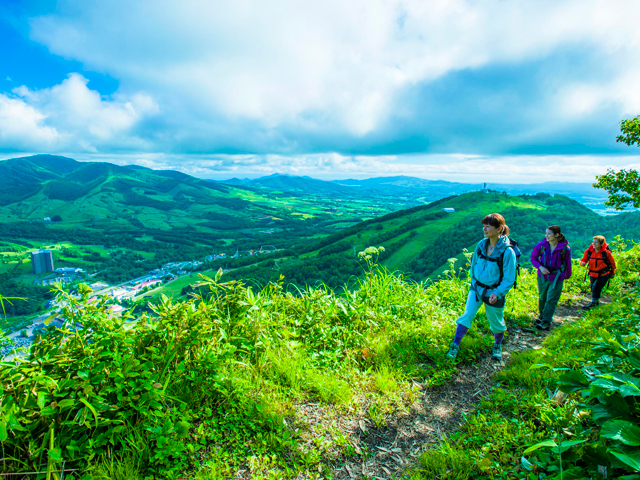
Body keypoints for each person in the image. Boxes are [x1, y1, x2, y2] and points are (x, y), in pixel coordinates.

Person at [446, 213, 517, 361]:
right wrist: (474, 283)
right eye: (484, 226)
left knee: (496, 321)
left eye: (488, 226)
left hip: (494, 291)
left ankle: (497, 345)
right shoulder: (481, 245)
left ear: (499, 229)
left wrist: (497, 293)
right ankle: (455, 345)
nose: (484, 229)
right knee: (467, 315)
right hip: (476, 288)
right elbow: (473, 266)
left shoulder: (507, 251)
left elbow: (509, 278)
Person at [530, 226, 572, 330]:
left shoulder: (565, 248)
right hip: (542, 277)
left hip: (557, 277)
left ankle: (546, 321)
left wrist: (566, 276)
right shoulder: (541, 245)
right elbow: (533, 258)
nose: (546, 236)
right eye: (546, 233)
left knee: (551, 299)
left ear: (557, 235)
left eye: (549, 234)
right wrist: (540, 267)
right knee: (542, 297)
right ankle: (542, 316)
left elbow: (567, 264)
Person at [580, 235, 616, 309]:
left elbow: (612, 263)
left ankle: (593, 303)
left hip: (603, 274)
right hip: (592, 273)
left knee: (595, 287)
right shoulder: (589, 251)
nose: (594, 244)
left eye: (596, 242)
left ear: (601, 244)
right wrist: (582, 263)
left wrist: (612, 272)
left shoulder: (606, 253)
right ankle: (596, 302)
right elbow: (584, 259)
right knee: (593, 287)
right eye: (593, 242)